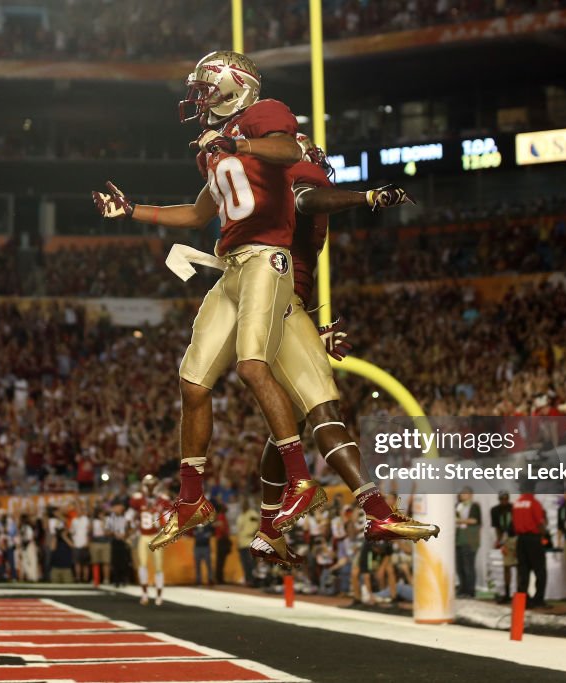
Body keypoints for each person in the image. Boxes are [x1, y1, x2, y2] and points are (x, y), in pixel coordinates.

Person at [93, 51, 327, 549]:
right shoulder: (211, 149)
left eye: (206, 88)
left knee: (251, 366)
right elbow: (198, 215)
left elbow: (288, 151)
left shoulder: (263, 115)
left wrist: (235, 139)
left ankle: (300, 480)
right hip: (233, 263)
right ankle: (192, 498)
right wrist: (132, 210)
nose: (199, 98)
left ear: (234, 86)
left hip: (269, 255)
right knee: (193, 381)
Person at [249, 136, 435, 566]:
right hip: (274, 307)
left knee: (291, 421)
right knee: (322, 412)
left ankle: (267, 528)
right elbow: (308, 199)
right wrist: (366, 196)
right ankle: (376, 512)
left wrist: (309, 331)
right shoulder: (289, 184)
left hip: (275, 309)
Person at [129, 475, 168, 605]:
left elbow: (168, 518)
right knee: (142, 565)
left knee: (159, 567)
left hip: (157, 536)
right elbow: (131, 515)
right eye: (148, 485)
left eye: (152, 485)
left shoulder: (163, 500)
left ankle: (159, 596)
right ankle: (144, 594)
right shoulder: (138, 499)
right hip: (144, 536)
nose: (150, 488)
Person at [513, 481, 548, 608]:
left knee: (523, 570)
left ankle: (523, 600)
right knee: (540, 570)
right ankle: (538, 599)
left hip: (521, 540)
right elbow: (539, 522)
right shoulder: (534, 503)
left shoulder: (517, 503)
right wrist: (545, 535)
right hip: (533, 539)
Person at [490, 491, 517, 603]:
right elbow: (497, 527)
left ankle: (521, 592)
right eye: (502, 499)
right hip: (505, 539)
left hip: (515, 537)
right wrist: (499, 541)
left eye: (506, 498)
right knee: (507, 566)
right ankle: (506, 593)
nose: (504, 501)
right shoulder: (495, 510)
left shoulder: (514, 508)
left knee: (519, 565)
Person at [455, 487, 481, 598]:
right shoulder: (458, 506)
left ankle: (470, 590)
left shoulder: (474, 506)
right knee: (460, 566)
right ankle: (462, 588)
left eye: (465, 493)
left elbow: (474, 520)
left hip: (470, 540)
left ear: (470, 495)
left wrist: (459, 520)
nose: (462, 495)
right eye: (461, 493)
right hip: (459, 539)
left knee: (468, 566)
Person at [235, 498, 260, 586]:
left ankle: (254, 581)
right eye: (242, 504)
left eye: (245, 503)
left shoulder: (252, 514)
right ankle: (247, 580)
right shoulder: (241, 515)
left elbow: (258, 526)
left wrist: (255, 535)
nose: (243, 505)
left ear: (248, 504)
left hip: (250, 541)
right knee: (244, 563)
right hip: (242, 542)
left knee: (251, 563)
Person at [89, 505, 113, 585]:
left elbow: (109, 532)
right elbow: (90, 532)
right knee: (95, 561)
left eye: (102, 513)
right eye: (100, 513)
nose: (101, 515)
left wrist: (104, 523)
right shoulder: (93, 521)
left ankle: (106, 579)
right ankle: (96, 579)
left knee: (106, 562)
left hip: (105, 542)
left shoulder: (108, 520)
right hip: (95, 542)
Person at [70, 503, 91, 583]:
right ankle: (78, 578)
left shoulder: (86, 519)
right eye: (77, 510)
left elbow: (89, 532)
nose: (78, 511)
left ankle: (85, 578)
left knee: (85, 563)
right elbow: (71, 532)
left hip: (84, 543)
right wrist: (72, 542)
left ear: (82, 511)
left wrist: (88, 542)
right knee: (77, 562)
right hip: (76, 543)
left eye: (80, 510)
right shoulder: (74, 520)